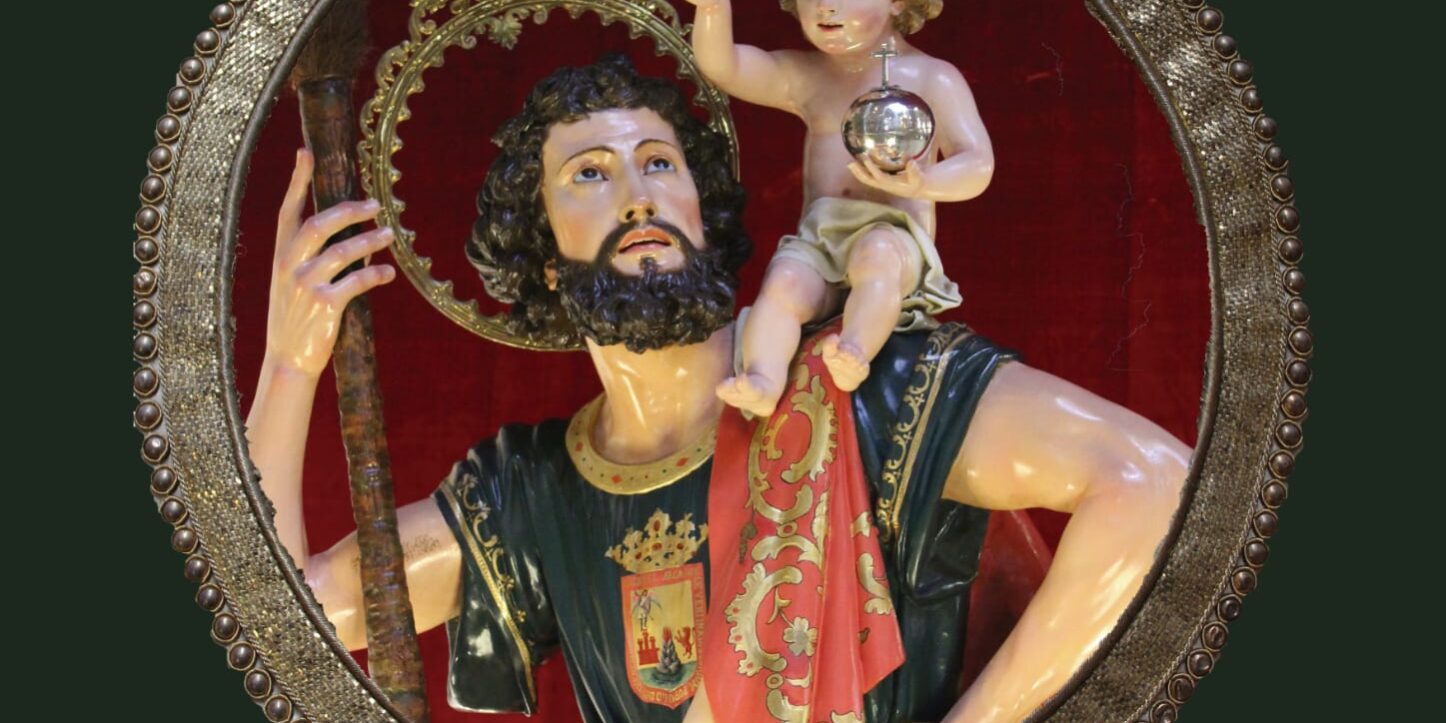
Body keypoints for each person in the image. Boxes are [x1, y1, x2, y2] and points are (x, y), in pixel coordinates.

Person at [246, 56, 1189, 723]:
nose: (639, 195)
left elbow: (1154, 487)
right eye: (589, 174)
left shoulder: (867, 386)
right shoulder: (528, 495)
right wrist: (289, 368)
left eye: (659, 163)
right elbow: (289, 623)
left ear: (704, 204)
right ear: (543, 257)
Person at [695, 0, 994, 418]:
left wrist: (924, 182)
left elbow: (977, 163)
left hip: (894, 235)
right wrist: (712, 9)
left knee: (877, 257)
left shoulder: (932, 77)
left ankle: (854, 351)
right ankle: (763, 379)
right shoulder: (807, 75)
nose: (824, 8)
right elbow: (725, 67)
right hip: (821, 238)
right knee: (785, 281)